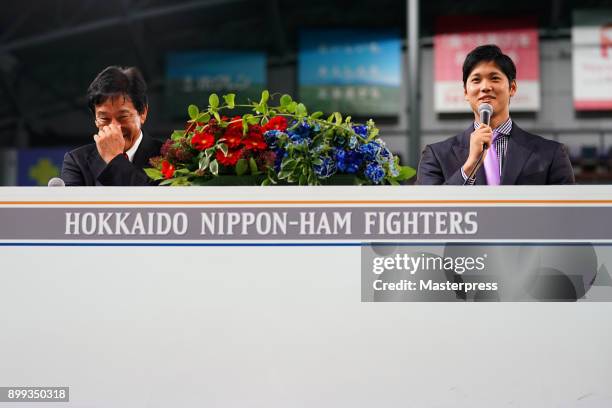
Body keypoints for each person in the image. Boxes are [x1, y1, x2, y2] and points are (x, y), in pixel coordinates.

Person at [416, 44, 575, 185]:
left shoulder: (551, 154)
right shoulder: (437, 155)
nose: (485, 87)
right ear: (465, 92)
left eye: (494, 78)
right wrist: (469, 166)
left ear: (512, 88)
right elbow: (429, 212)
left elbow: (567, 213)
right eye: (476, 80)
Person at [61, 66, 162, 186]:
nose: (114, 127)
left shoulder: (170, 156)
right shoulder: (77, 162)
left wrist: (114, 159)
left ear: (143, 113)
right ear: (95, 119)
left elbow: (155, 202)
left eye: (123, 117)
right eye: (104, 118)